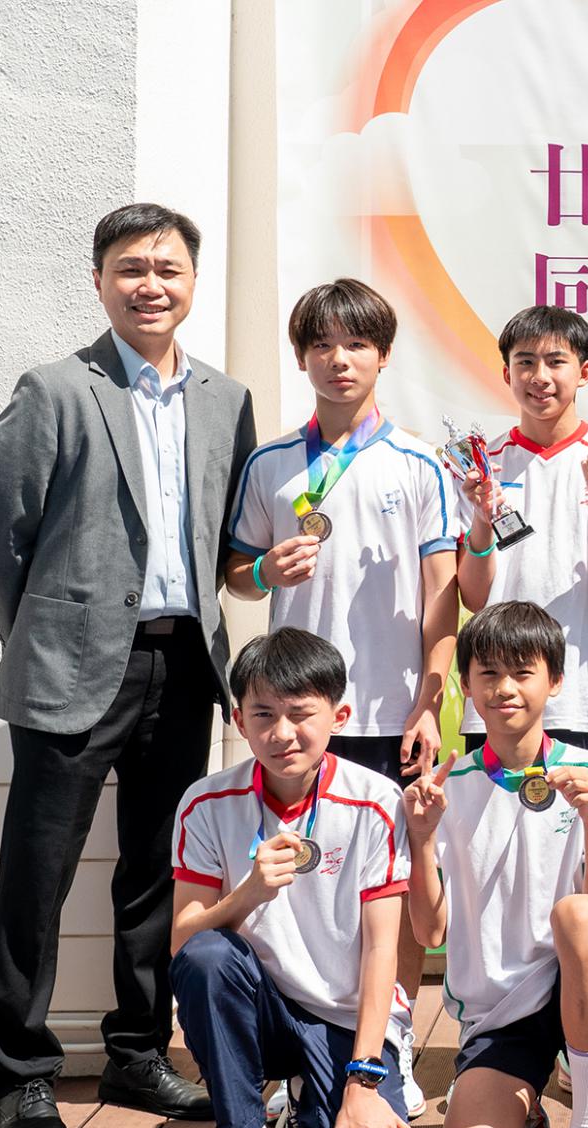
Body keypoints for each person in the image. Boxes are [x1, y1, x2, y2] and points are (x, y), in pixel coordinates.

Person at [0, 202, 255, 1128]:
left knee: (157, 871)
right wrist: (41, 637)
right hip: (71, 667)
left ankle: (137, 1052)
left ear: (192, 283)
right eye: (131, 268)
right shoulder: (55, 389)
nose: (150, 285)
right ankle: (22, 1075)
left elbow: (224, 540)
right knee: (37, 874)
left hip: (185, 663)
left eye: (168, 269)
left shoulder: (226, 400)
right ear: (99, 281)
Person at [166, 628, 414, 1128]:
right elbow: (182, 941)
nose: (283, 733)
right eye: (264, 715)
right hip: (265, 1014)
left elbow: (383, 949)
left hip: (346, 1021)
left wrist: (363, 1081)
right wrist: (248, 892)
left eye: (301, 714)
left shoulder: (376, 801)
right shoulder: (205, 803)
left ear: (339, 716)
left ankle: (309, 1099)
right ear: (238, 721)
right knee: (207, 958)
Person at [406, 602, 588, 1128]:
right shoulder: (446, 787)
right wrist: (422, 840)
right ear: (465, 686)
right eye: (488, 673)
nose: (505, 688)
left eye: (522, 672)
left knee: (577, 915)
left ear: (555, 681)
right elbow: (430, 933)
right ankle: (527, 1111)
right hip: (499, 1014)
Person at [224, 277, 461, 785]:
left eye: (356, 344)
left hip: (391, 711)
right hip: (296, 713)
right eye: (322, 345)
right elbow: (239, 578)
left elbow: (443, 595)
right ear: (300, 357)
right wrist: (265, 572)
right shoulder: (268, 463)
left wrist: (428, 704)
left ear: (384, 354)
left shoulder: (421, 463)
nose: (339, 360)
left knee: (392, 837)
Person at [455, 306, 588, 767]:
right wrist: (481, 520)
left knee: (586, 816)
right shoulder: (481, 467)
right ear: (508, 374)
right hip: (496, 700)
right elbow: (474, 598)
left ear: (584, 373)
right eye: (525, 362)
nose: (539, 376)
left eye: (555, 361)